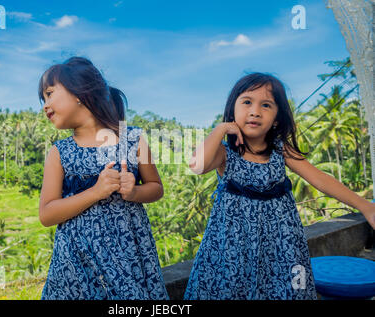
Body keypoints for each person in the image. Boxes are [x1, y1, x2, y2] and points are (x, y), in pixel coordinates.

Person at [184, 72, 375, 300]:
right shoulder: (225, 153)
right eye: (246, 102)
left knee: (287, 291)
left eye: (266, 105)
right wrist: (221, 129)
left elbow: (320, 179)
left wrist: (365, 206)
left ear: (276, 118)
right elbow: (197, 165)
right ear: (232, 109)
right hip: (233, 248)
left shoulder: (280, 150)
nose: (255, 111)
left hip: (282, 246)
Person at [38, 56, 168, 300]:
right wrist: (95, 192)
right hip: (77, 265)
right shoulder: (58, 153)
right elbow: (46, 214)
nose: (45, 105)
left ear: (79, 93)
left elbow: (156, 188)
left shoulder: (133, 140)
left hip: (128, 257)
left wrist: (135, 192)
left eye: (50, 93)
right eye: (43, 98)